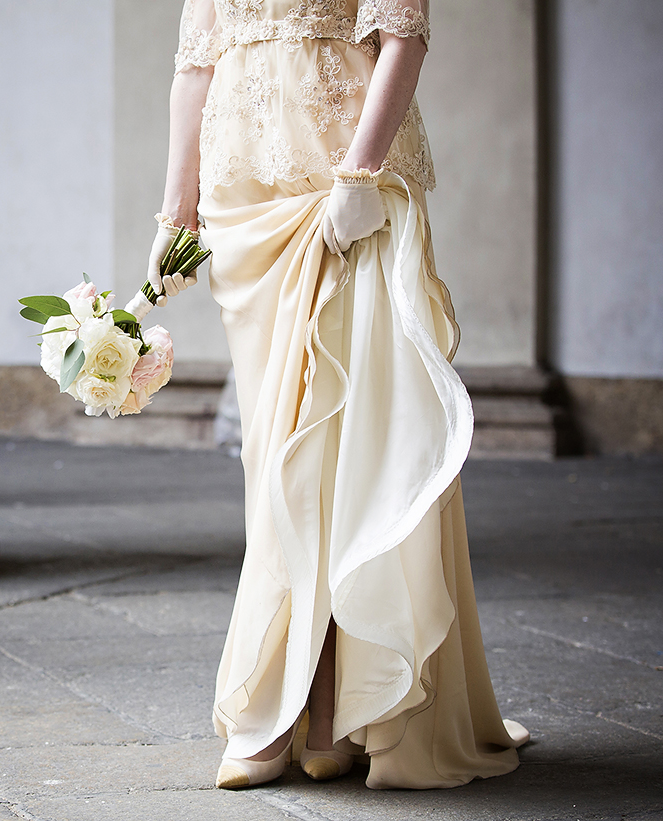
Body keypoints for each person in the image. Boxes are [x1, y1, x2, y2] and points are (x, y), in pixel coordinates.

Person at [147, 0, 530, 790]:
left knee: (347, 438)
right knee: (274, 449)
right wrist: (174, 209)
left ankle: (333, 707)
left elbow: (404, 36)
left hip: (343, 180)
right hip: (243, 200)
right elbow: (196, 63)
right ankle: (283, 702)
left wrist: (360, 174)